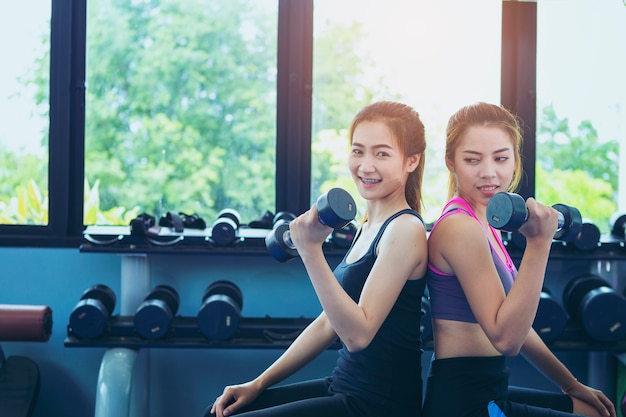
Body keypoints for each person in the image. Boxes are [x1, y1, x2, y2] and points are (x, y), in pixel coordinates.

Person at [206, 101, 428, 417]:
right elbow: (328, 324)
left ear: (411, 160)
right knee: (217, 412)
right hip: (344, 385)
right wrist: (259, 383)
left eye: (381, 153)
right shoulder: (368, 225)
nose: (366, 166)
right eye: (358, 151)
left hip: (378, 403)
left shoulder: (405, 230)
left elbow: (357, 335)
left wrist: (311, 251)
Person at [422, 102, 616, 417]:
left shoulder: (485, 222)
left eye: (501, 158)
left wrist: (570, 384)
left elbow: (519, 325)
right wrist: (539, 243)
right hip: (465, 401)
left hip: (489, 388)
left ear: (515, 160)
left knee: (590, 408)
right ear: (451, 162)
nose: (489, 172)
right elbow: (506, 338)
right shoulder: (460, 227)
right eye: (472, 159)